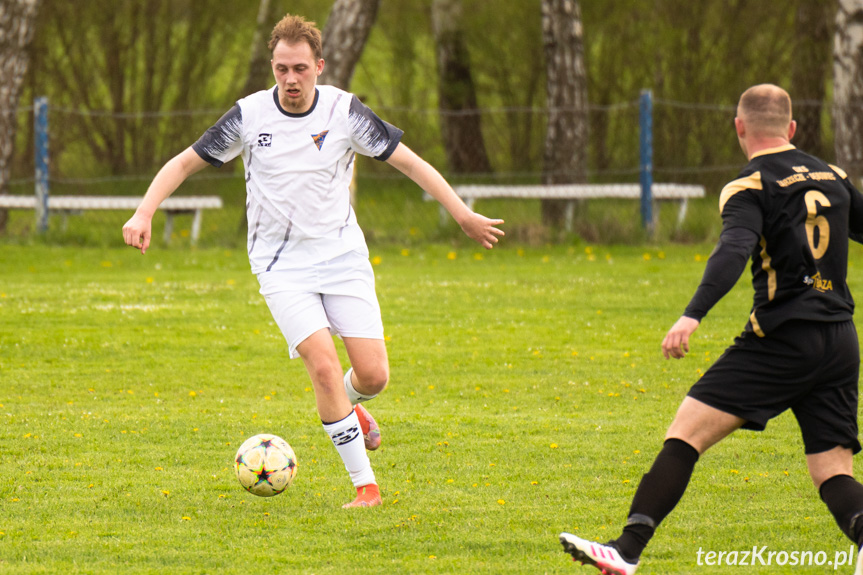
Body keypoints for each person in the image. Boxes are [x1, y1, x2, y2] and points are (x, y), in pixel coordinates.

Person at [122, 13, 504, 509]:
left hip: (343, 257)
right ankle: (365, 487)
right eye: (281, 69)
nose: (290, 79)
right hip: (280, 268)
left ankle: (352, 406)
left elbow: (410, 162)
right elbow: (183, 162)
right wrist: (144, 210)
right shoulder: (249, 115)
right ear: (273, 66)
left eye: (300, 68)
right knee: (322, 366)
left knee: (373, 377)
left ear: (319, 66)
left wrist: (462, 215)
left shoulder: (345, 112)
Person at [559, 84, 863, 574]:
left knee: (686, 434)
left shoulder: (748, 185)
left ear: (740, 127)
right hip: (841, 339)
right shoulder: (834, 176)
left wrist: (692, 313)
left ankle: (626, 549)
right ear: (791, 129)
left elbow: (733, 250)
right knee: (831, 471)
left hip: (782, 335)